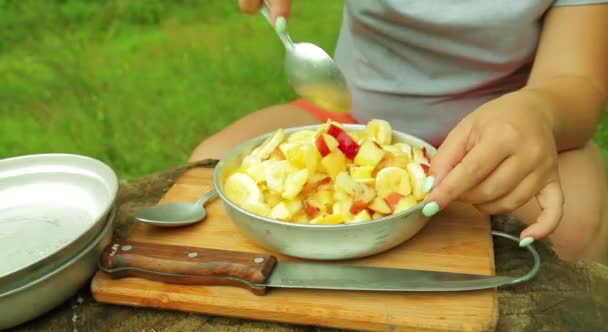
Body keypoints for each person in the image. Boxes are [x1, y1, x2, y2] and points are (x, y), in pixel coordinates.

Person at [190, 0, 608, 263]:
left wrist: (539, 111)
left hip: (504, 141)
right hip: (350, 118)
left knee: (575, 226)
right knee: (199, 181)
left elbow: (578, 83)